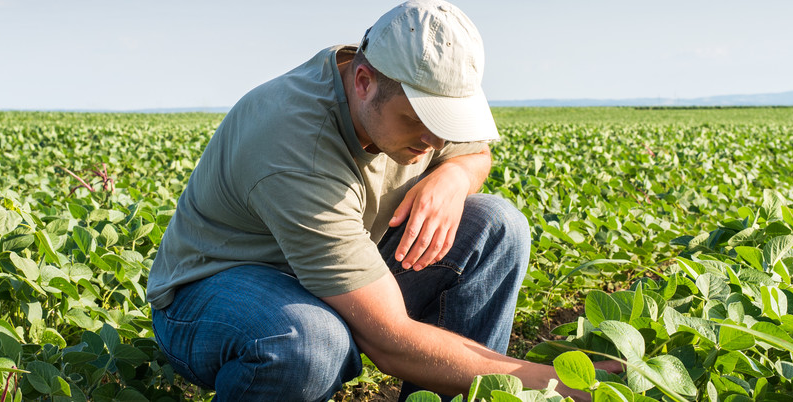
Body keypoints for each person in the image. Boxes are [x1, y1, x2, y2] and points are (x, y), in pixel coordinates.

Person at [147, 1, 615, 400]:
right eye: (420, 120)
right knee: (309, 343)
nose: (434, 140)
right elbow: (390, 341)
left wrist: (453, 176)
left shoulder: (415, 91)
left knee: (497, 224)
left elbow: (475, 153)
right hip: (216, 293)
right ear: (364, 82)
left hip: (337, 276)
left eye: (448, 122)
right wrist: (557, 385)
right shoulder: (293, 144)